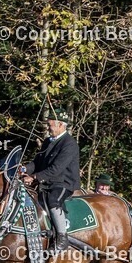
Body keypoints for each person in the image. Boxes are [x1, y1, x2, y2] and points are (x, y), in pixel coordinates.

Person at [21, 107, 81, 251]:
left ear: (61, 125)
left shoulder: (69, 144)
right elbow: (37, 162)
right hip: (47, 182)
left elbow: (56, 169)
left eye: (50, 125)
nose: (48, 128)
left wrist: (35, 177)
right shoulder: (48, 141)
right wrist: (24, 169)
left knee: (53, 201)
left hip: (64, 183)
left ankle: (62, 237)